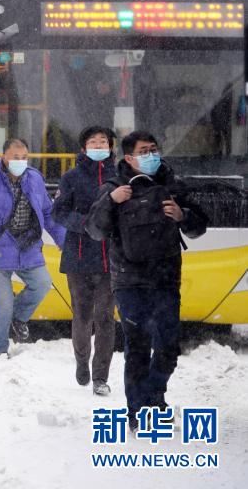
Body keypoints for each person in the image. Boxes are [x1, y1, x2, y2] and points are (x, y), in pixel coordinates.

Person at [85, 130, 207, 431]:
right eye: (144, 151)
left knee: (168, 346)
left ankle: (154, 394)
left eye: (154, 149)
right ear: (129, 157)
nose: (151, 155)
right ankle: (137, 409)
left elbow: (199, 226)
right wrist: (111, 202)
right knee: (137, 345)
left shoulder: (172, 184)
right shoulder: (113, 187)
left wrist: (183, 215)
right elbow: (95, 230)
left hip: (165, 278)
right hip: (129, 281)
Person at [0, 138, 66, 356]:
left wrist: (62, 239)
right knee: (3, 302)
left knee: (42, 284)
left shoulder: (34, 179)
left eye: (24, 158)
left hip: (27, 247)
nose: (20, 162)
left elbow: (48, 213)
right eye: (16, 157)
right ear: (4, 158)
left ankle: (18, 318)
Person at [52, 126, 117, 395]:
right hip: (79, 257)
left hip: (111, 260)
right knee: (82, 315)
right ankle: (82, 363)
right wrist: (86, 224)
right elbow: (58, 212)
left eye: (104, 141)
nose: (99, 145)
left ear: (112, 146)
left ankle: (101, 377)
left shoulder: (121, 177)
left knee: (105, 317)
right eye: (93, 142)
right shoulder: (71, 178)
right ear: (83, 148)